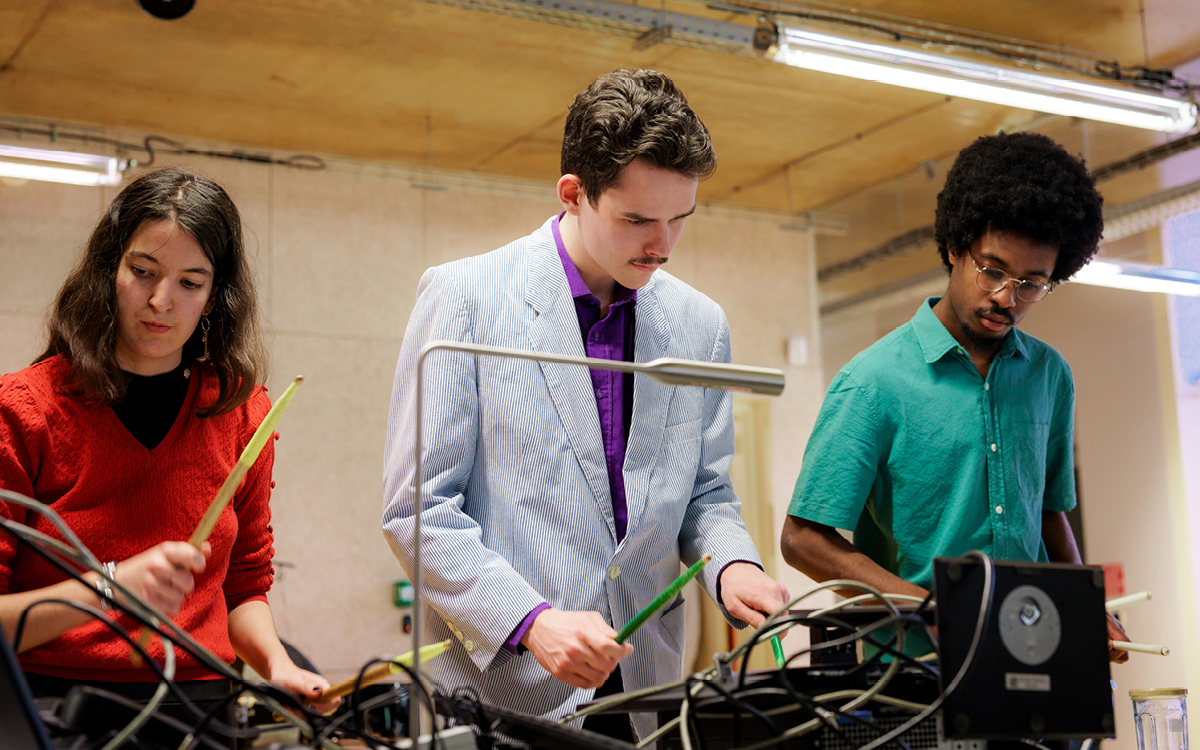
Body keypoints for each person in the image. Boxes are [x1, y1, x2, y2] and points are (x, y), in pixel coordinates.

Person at [382, 69, 788, 740]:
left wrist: (732, 565)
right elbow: (419, 510)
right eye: (636, 220)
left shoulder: (699, 324)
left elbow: (707, 493)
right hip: (502, 694)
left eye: (679, 219)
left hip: (644, 690)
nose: (661, 245)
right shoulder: (465, 298)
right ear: (573, 194)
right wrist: (532, 621)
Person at [781, 131, 1129, 662]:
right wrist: (925, 608)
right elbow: (803, 539)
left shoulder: (1050, 377)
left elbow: (1048, 514)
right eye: (992, 270)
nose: (1006, 298)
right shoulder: (873, 382)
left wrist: (1086, 601)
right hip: (913, 673)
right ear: (954, 247)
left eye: (1032, 283)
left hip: (1027, 651)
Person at [0, 167, 333, 713]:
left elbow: (244, 588)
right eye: (143, 271)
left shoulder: (242, 412)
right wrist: (111, 586)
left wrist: (277, 665)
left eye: (190, 282)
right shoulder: (23, 410)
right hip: (51, 709)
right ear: (110, 271)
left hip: (200, 707)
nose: (161, 301)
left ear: (214, 295)